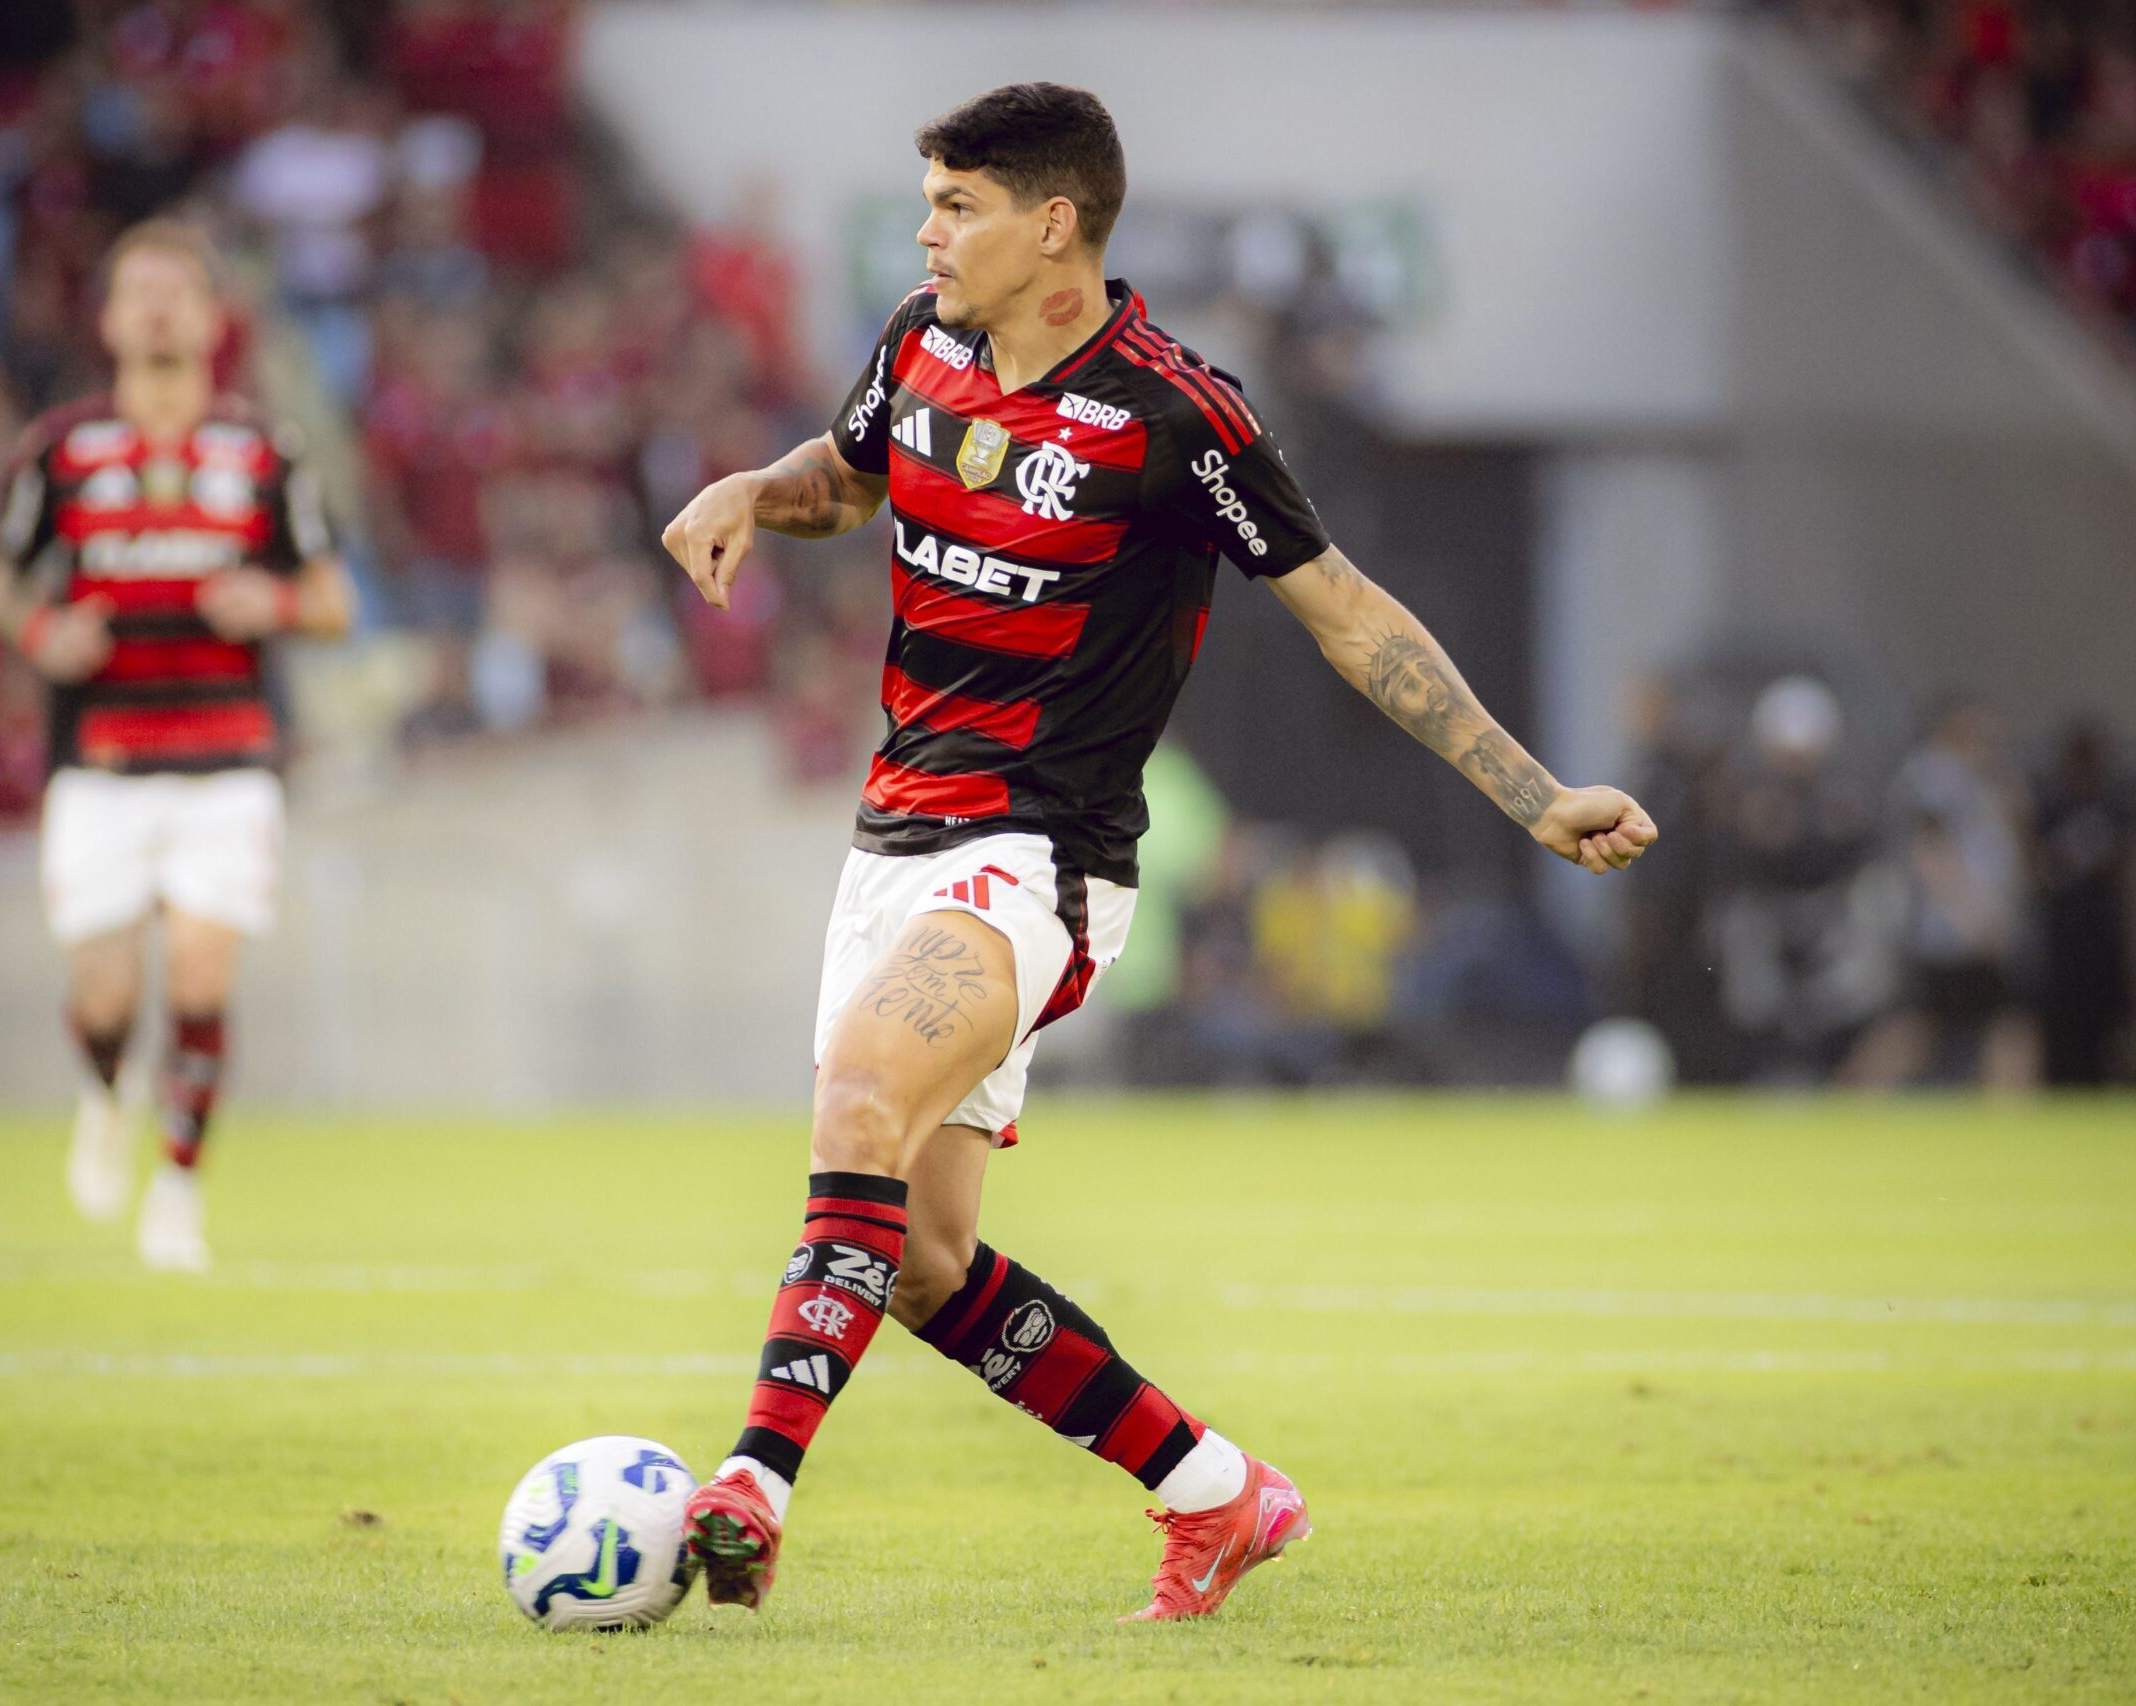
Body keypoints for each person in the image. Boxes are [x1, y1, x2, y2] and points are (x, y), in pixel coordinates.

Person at [658, 85, 1656, 1621]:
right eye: (928, 205)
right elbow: (850, 477)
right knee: (920, 1261)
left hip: (1033, 857)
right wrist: (750, 491)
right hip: (891, 843)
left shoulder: (1177, 415)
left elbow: (1349, 614)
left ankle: (752, 1485)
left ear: (1053, 225)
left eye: (957, 206)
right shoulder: (920, 346)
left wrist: (1532, 795)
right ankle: (1216, 1493)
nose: (928, 234)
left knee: (859, 1101)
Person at [0, 220, 355, 1270]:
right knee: (105, 997)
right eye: (135, 291)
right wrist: (41, 631)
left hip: (225, 758)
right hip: (100, 760)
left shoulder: (266, 453)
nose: (154, 309)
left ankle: (178, 1191)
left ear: (212, 318)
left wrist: (275, 600)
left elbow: (333, 598)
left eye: (174, 291)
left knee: (198, 976)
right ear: (105, 320)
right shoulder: (59, 451)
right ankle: (105, 1089)